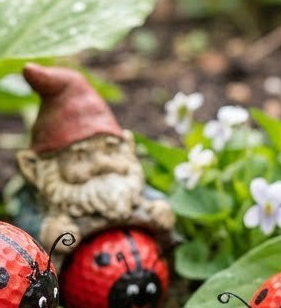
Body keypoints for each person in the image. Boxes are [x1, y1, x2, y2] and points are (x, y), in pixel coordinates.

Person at [15, 63, 175, 255]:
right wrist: (46, 229)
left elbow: (148, 195)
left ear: (129, 147)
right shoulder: (38, 199)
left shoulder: (129, 189)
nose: (102, 164)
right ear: (34, 168)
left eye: (110, 150)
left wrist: (160, 206)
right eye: (80, 156)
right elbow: (24, 219)